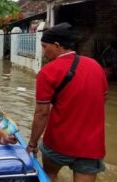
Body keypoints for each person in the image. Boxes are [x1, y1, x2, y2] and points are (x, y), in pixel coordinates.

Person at [26, 23, 108, 182]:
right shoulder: (96, 66)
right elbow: (102, 99)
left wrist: (32, 143)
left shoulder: (47, 71)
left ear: (57, 45)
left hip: (58, 143)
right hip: (91, 146)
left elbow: (42, 113)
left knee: (49, 176)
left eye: (44, 46)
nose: (43, 52)